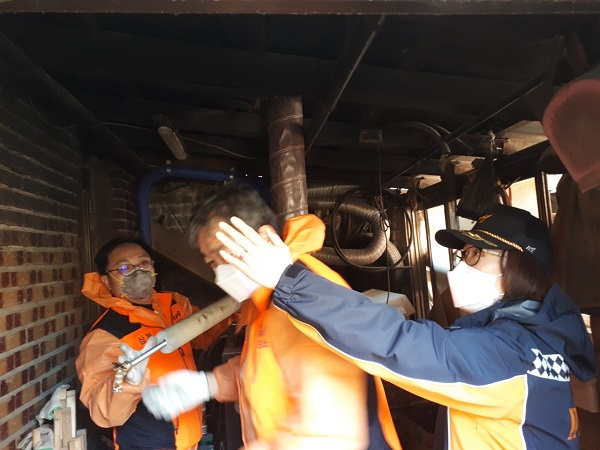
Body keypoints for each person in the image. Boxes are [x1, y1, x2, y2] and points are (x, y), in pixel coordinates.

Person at [212, 203, 597, 450]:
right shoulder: (537, 339)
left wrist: (288, 281)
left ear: (520, 265)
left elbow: (400, 343)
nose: (461, 266)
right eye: (462, 254)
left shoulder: (512, 354)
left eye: (475, 254)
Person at [141, 183, 401, 450]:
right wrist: (209, 384)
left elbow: (327, 435)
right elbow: (266, 370)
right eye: (212, 262)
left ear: (264, 236)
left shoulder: (307, 301)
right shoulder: (266, 299)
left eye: (223, 252)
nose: (220, 270)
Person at [76, 237, 232, 450]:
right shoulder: (106, 334)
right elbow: (103, 411)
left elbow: (203, 335)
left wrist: (238, 310)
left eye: (144, 263)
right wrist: (127, 383)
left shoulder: (174, 305)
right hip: (149, 444)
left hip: (190, 436)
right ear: (106, 281)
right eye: (125, 268)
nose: (138, 272)